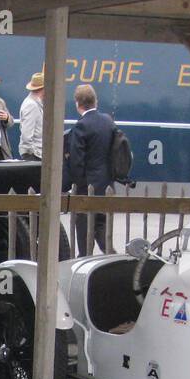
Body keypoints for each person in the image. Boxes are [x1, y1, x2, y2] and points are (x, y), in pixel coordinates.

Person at [63, 83, 117, 256]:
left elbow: (76, 161)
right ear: (96, 101)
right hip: (106, 186)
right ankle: (114, 260)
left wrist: (76, 184)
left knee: (85, 238)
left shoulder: (81, 126)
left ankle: (84, 264)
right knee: (102, 230)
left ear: (77, 103)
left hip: (87, 189)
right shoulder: (108, 121)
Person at [18, 72, 44, 160]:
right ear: (43, 88)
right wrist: (33, 153)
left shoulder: (35, 103)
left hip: (36, 154)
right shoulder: (31, 105)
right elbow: (26, 135)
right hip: (33, 156)